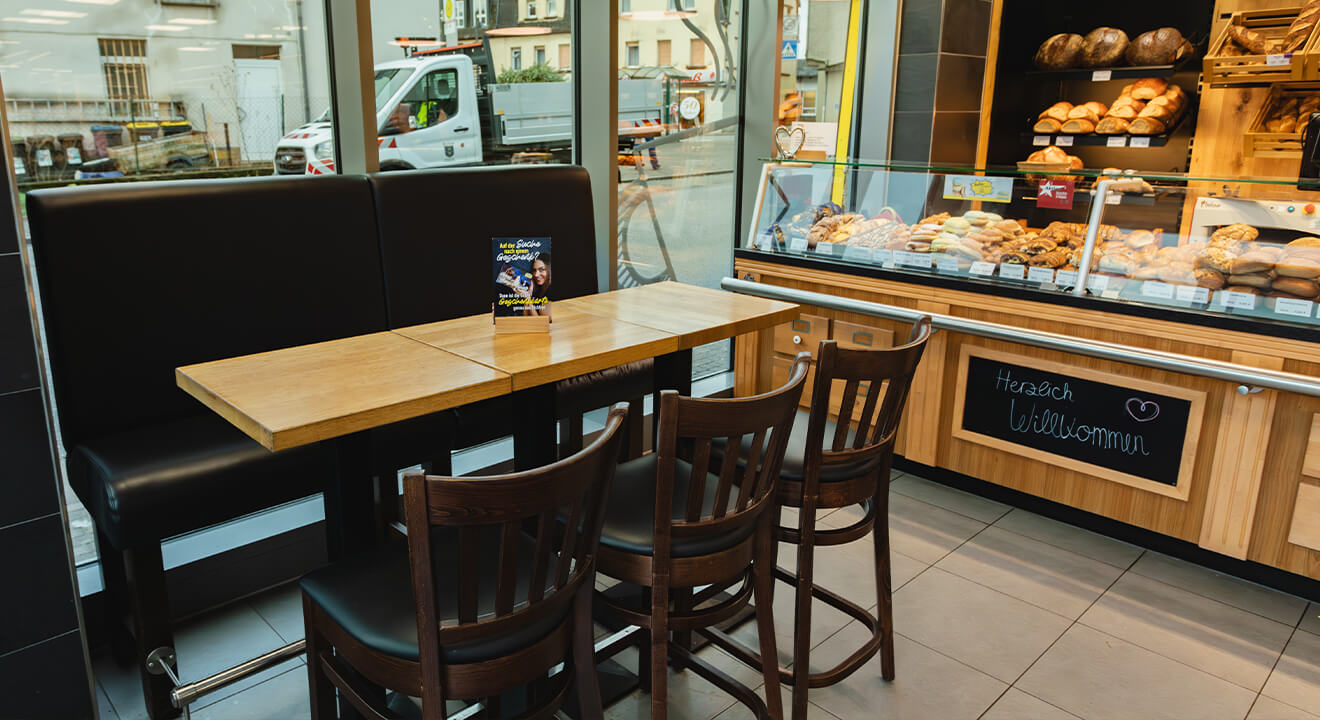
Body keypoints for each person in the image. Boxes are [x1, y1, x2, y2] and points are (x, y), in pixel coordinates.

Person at [523, 252, 551, 318]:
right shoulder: (537, 288)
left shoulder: (550, 292)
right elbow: (525, 317)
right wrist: (527, 296)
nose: (536, 275)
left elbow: (541, 322)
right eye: (534, 270)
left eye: (541, 270)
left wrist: (528, 299)